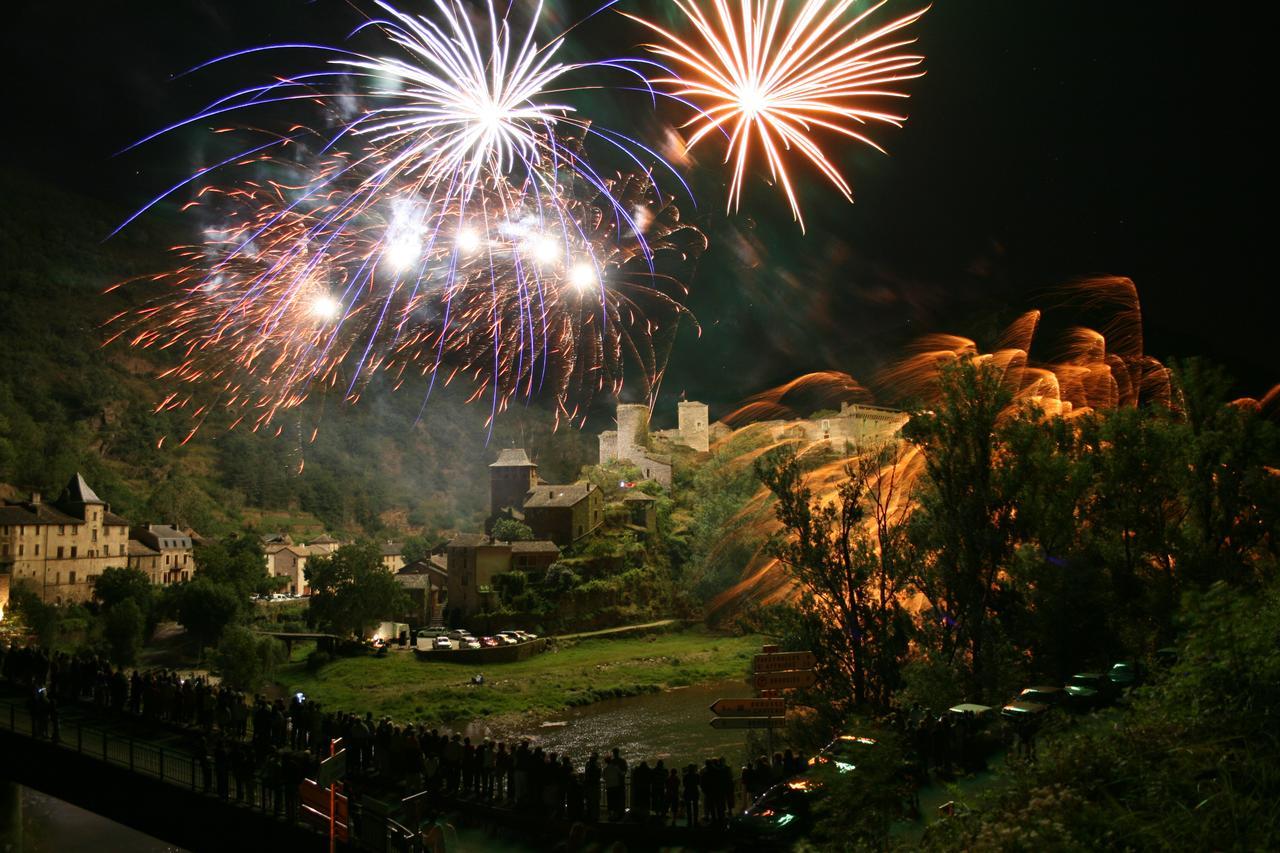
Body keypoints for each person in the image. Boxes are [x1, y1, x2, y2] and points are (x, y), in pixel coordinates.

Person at [602, 752, 626, 821]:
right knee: (616, 801)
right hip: (616, 787)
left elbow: (603, 777)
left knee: (610, 802)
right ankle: (616, 815)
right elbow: (622, 773)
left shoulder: (605, 769)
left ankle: (611, 815)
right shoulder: (616, 768)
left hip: (609, 787)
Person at [584, 752, 601, 821]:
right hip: (595, 786)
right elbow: (599, 776)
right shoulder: (597, 768)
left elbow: (586, 776)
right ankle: (596, 816)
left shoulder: (588, 767)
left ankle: (590, 815)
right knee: (595, 802)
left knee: (589, 802)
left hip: (589, 786)